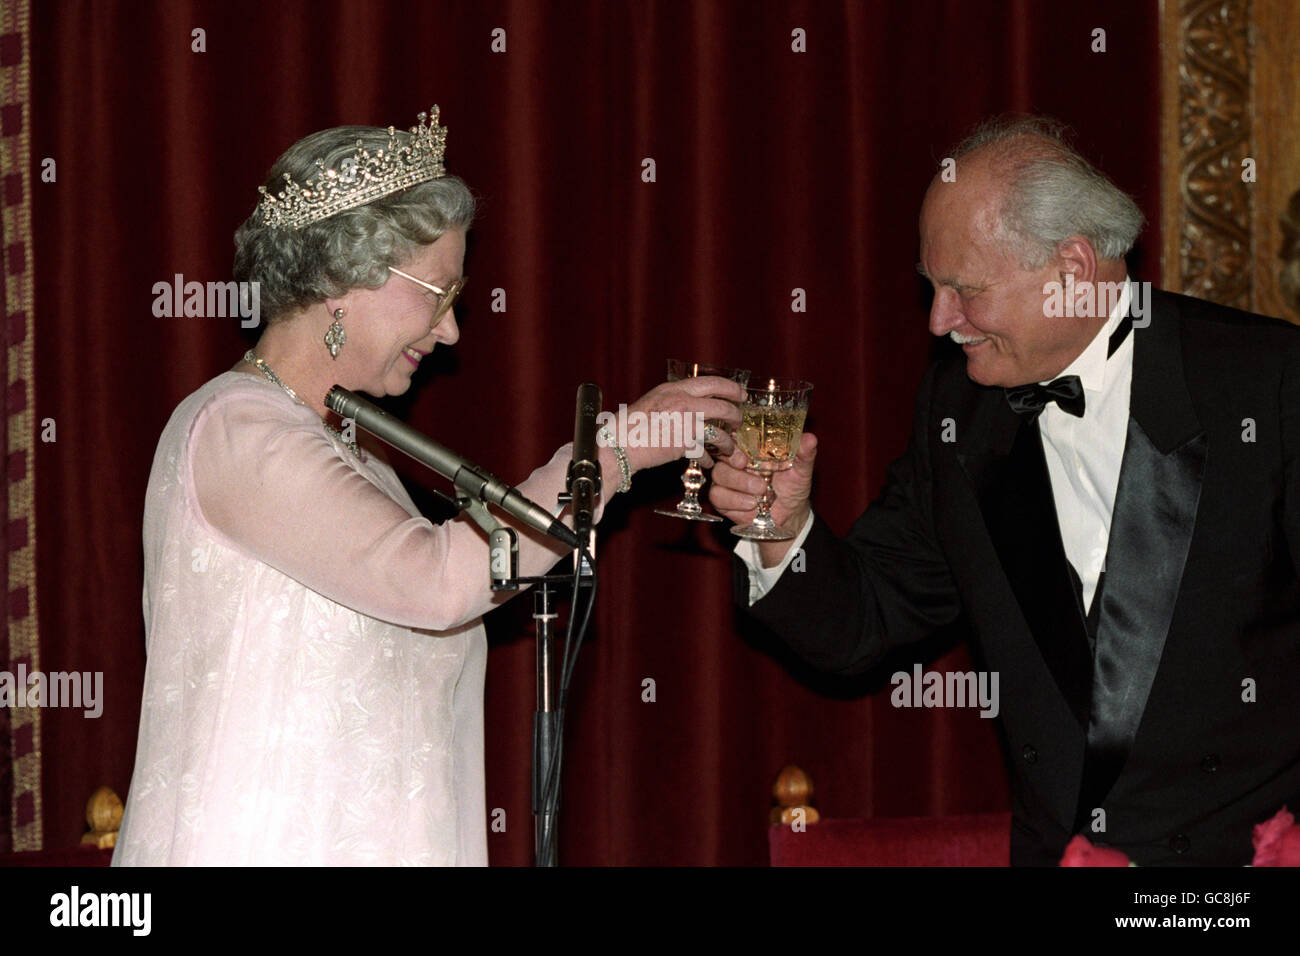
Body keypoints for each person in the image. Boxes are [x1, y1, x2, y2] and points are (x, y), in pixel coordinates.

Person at [113, 107, 744, 865]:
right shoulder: (236, 430)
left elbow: (467, 574)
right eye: (438, 294)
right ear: (346, 278)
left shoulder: (365, 463)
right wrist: (615, 452)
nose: (450, 332)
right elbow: (440, 580)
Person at [711, 116, 1300, 866]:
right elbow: (864, 622)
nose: (938, 321)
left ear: (1073, 269)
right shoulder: (960, 413)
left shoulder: (1266, 384)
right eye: (932, 288)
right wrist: (778, 526)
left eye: (964, 289)